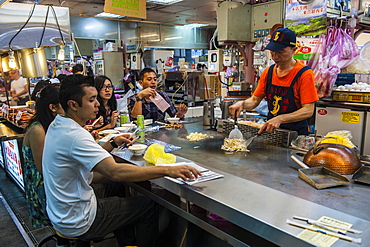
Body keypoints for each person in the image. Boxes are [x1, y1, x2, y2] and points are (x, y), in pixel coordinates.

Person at [42, 75, 201, 246]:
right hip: (77, 219)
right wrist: (168, 169)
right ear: (73, 105)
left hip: (59, 211)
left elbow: (91, 159)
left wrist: (113, 142)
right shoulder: (76, 135)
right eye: (91, 99)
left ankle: (127, 242)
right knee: (147, 206)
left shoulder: (58, 125)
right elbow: (114, 171)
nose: (97, 104)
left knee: (117, 187)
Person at [229, 28, 319, 136]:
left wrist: (281, 119)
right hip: (271, 132)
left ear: (294, 50)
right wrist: (242, 104)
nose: (276, 57)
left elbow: (308, 110)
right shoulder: (268, 72)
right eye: (272, 52)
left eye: (281, 52)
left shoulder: (304, 74)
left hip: (296, 134)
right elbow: (255, 100)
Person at [22, 84, 64, 229]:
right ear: (53, 107)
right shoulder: (38, 130)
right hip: (42, 187)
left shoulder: (51, 125)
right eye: (65, 105)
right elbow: (42, 168)